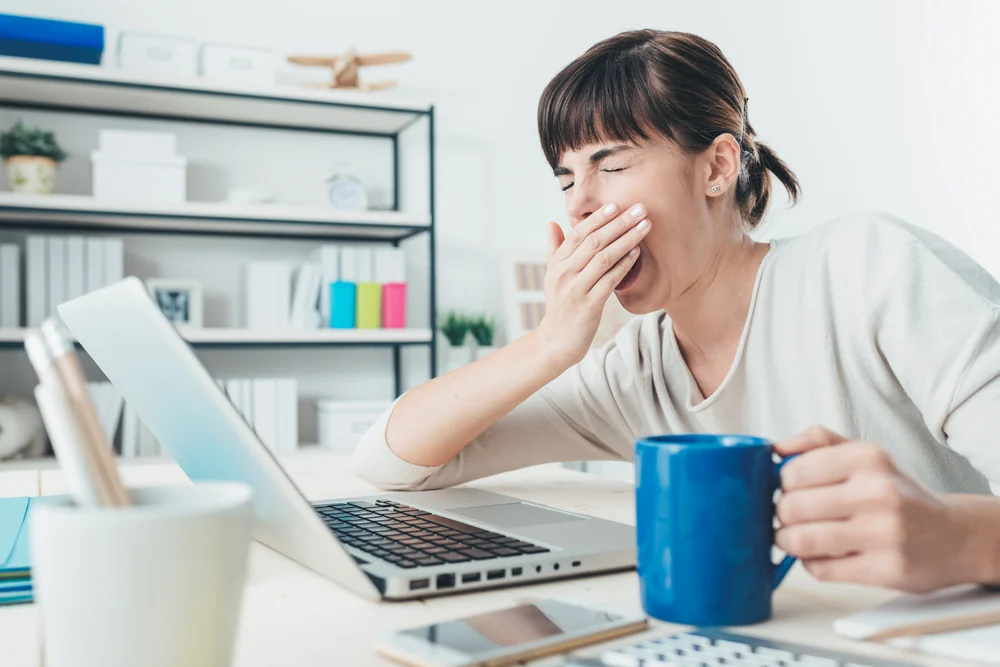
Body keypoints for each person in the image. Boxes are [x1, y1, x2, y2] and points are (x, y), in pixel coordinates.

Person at [354, 30, 1000, 593]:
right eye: (566, 178)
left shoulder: (870, 266)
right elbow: (394, 460)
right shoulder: (633, 373)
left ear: (717, 166)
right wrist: (549, 344)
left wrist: (957, 537)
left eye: (611, 164)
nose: (579, 204)